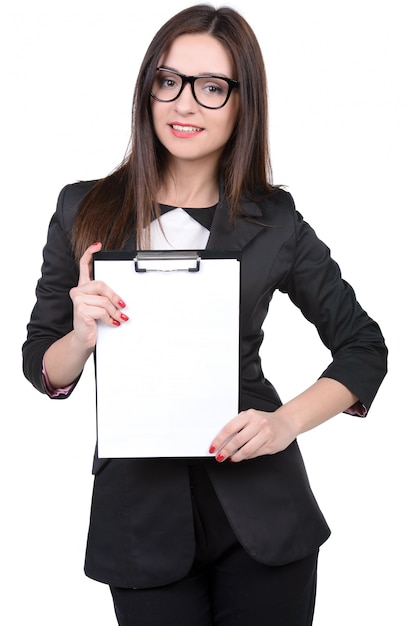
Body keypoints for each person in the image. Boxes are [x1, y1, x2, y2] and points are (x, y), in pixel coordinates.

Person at [22, 4, 388, 625]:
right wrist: (82, 336)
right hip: (140, 521)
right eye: (169, 82)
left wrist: (284, 424)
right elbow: (43, 362)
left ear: (243, 103)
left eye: (211, 88)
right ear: (148, 91)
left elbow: (363, 345)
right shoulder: (82, 209)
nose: (184, 104)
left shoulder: (275, 221)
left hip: (263, 511)